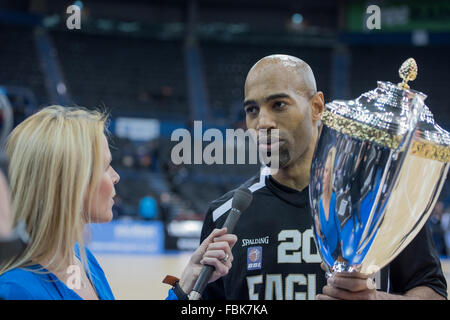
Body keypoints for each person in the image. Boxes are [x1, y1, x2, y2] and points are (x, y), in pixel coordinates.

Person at [199, 54, 447, 300]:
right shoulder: (225, 215)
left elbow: (434, 293)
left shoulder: (383, 201)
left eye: (279, 105)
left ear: (317, 107)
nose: (263, 123)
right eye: (252, 109)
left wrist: (377, 300)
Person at [0, 106, 237, 300]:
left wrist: (186, 283)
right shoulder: (16, 290)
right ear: (71, 182)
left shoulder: (81, 259)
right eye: (105, 167)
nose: (116, 177)